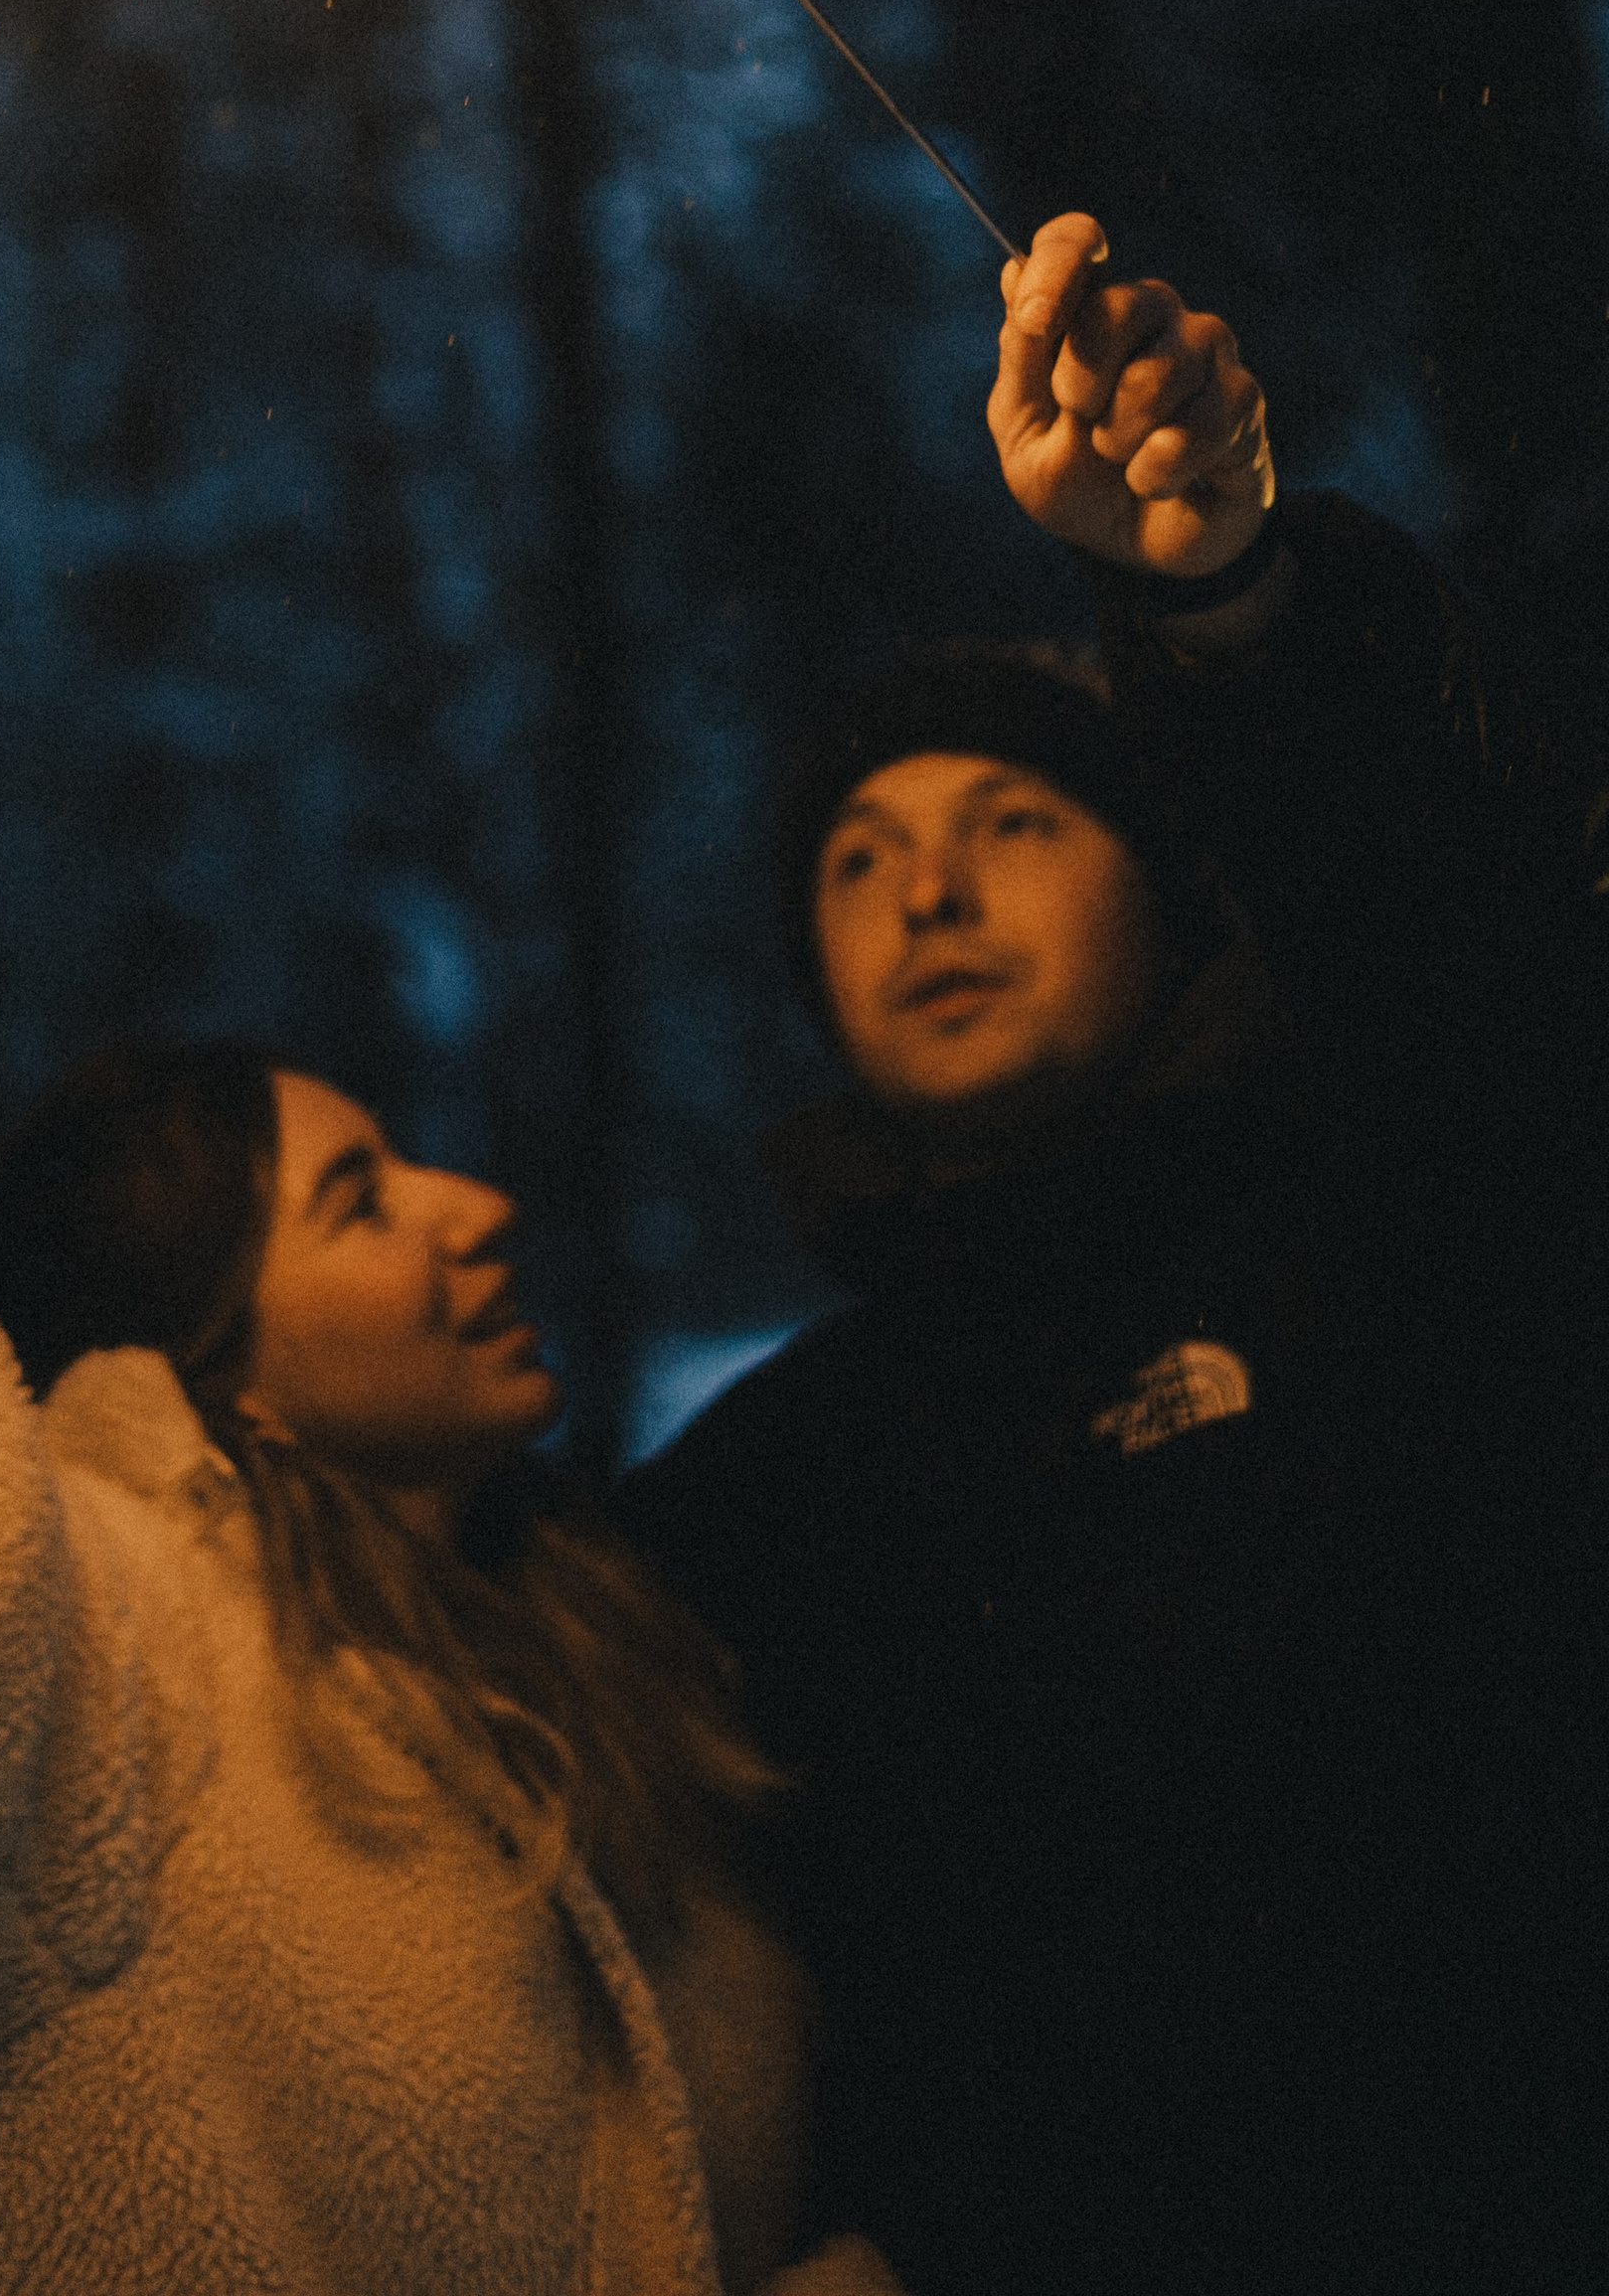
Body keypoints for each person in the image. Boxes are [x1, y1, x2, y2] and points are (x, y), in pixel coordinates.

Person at [0, 552, 903, 2296]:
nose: (476, 1205)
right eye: (365, 1202)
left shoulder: (598, 1642)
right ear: (209, 1362)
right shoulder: (99, 1693)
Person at [615, 212, 1604, 2296]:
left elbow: (1438, 930)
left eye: (1012, 825)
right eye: (859, 860)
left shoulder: (1399, 1213)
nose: (926, 894)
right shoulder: (784, 1483)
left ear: (1167, 900)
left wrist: (1220, 599)